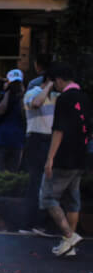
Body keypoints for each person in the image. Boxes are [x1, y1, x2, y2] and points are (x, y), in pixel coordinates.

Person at [40, 62, 90, 256]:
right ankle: (68, 246)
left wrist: (50, 158)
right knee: (72, 200)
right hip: (81, 155)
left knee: (47, 197)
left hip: (64, 157)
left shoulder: (65, 99)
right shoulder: (84, 97)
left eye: (55, 82)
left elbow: (58, 130)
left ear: (59, 80)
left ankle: (69, 236)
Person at [19, 76, 58, 235]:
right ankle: (32, 223)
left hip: (51, 139)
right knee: (37, 182)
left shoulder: (58, 95)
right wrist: (48, 86)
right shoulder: (33, 92)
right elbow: (36, 103)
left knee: (49, 182)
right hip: (37, 139)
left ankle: (40, 223)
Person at [0, 69, 26, 172]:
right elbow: (0, 111)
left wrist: (21, 95)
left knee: (13, 175)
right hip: (0, 140)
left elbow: (25, 114)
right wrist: (8, 92)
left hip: (16, 141)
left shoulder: (24, 98)